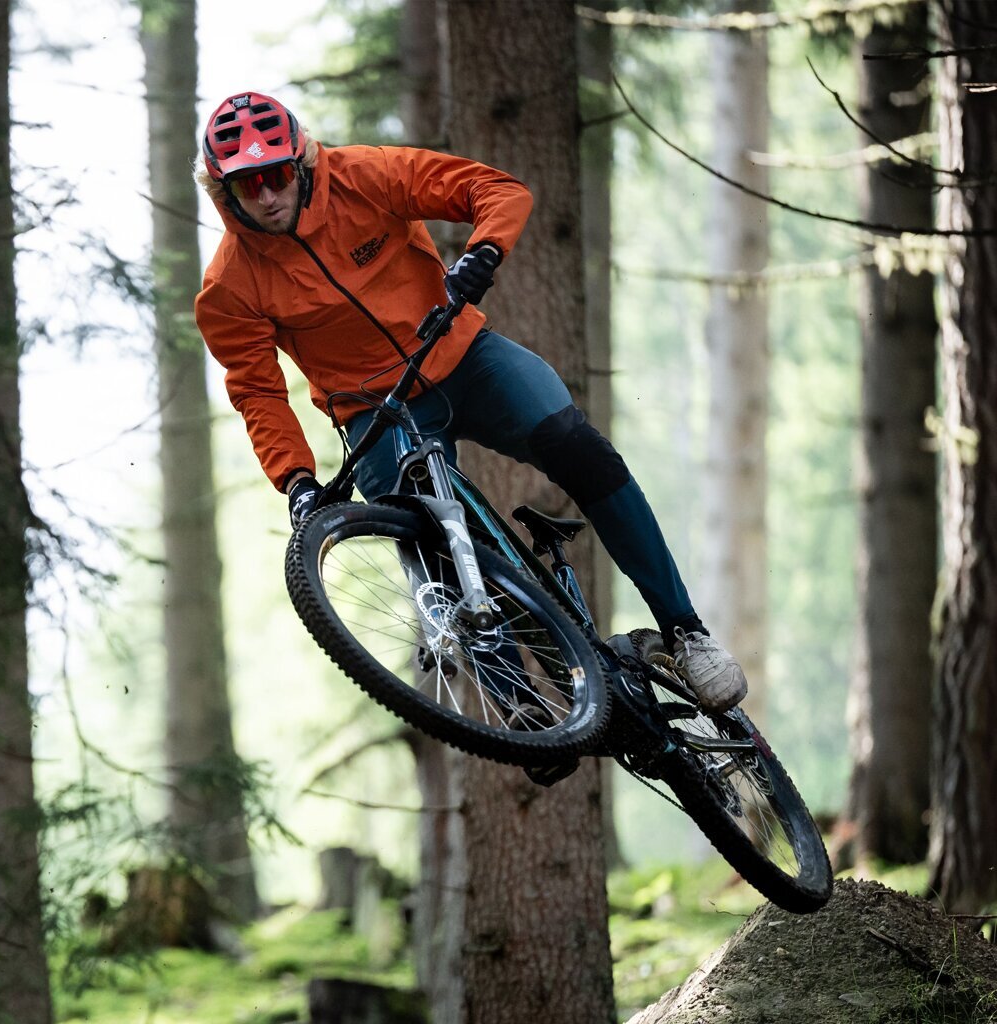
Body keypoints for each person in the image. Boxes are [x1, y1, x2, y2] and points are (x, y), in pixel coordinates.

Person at [194, 91, 748, 713]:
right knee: (430, 542)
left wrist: (483, 251)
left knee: (576, 446)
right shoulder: (229, 286)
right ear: (224, 192)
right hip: (376, 412)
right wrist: (297, 481)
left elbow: (497, 190)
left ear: (299, 164)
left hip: (464, 357)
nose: (267, 196)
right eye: (247, 185)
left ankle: (686, 632)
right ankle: (523, 708)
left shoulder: (365, 176)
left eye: (275, 176)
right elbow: (257, 391)